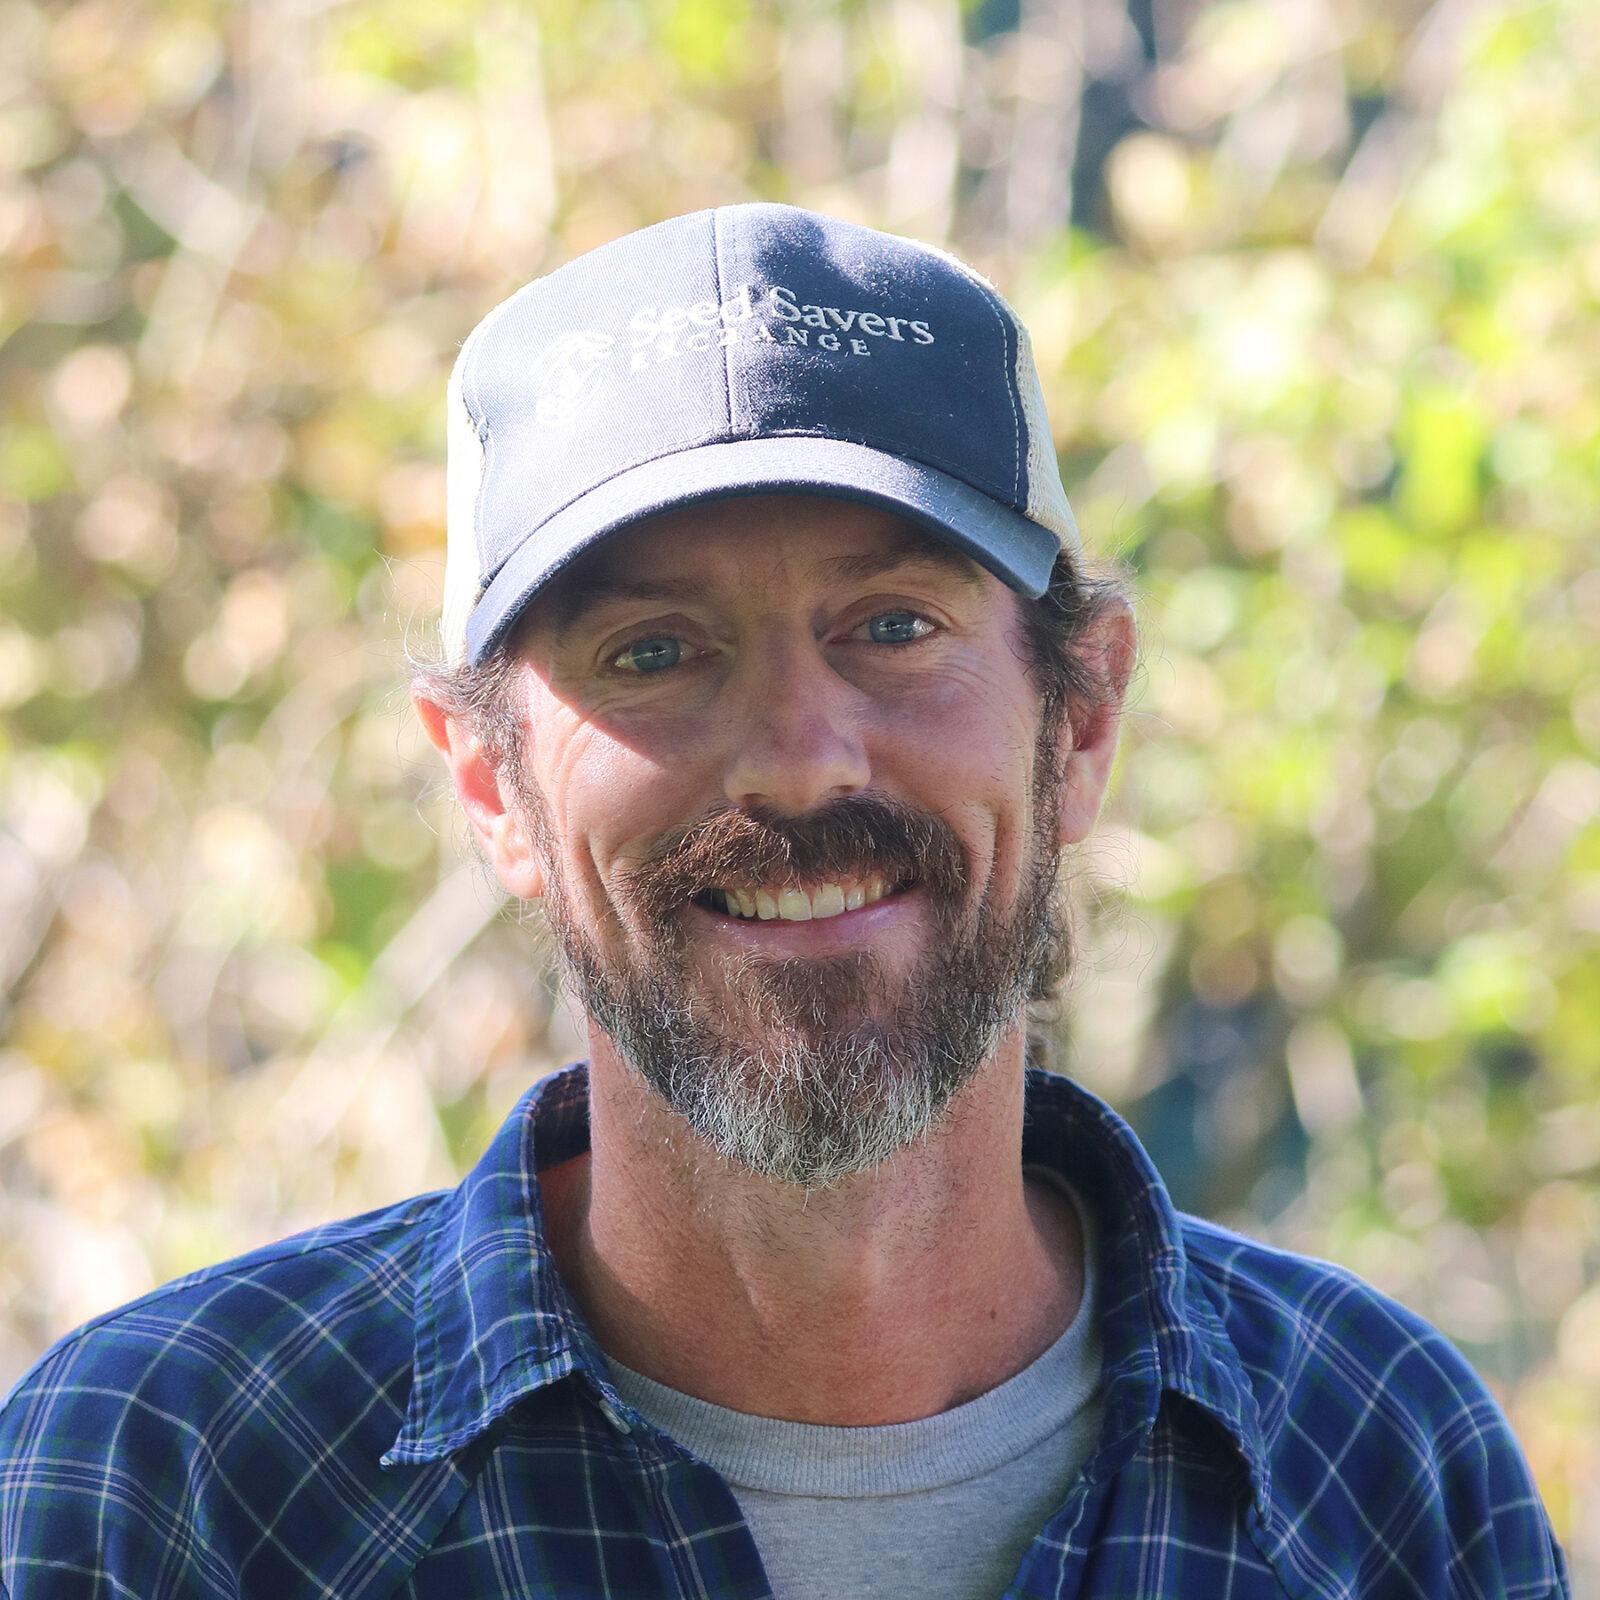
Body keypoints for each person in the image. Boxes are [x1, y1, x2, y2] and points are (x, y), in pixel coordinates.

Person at [0, 204, 1567, 1600]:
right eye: (655, 652)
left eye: (892, 625)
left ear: (1080, 720)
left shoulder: (1375, 1461)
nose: (804, 766)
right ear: (492, 789)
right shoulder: (174, 1481)